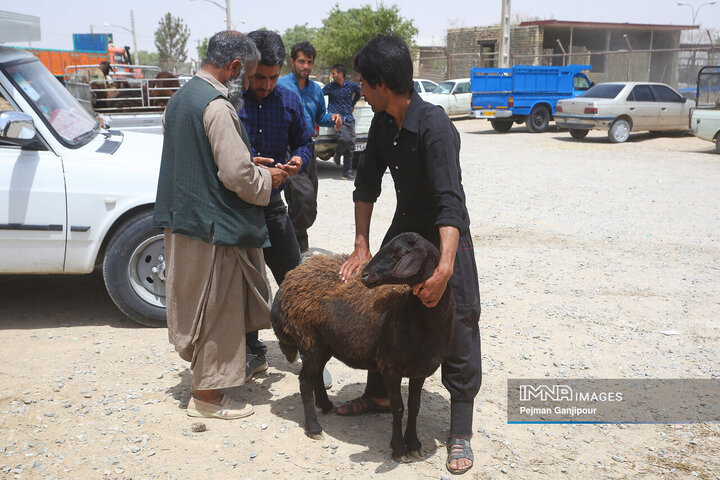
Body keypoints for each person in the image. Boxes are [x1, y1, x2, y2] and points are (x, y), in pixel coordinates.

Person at [337, 35, 482, 476]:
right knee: (385, 310)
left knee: (456, 321)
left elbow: (450, 204)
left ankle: (460, 429)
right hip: (404, 235)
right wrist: (363, 245)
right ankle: (381, 394)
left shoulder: (436, 127)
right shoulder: (382, 124)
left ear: (382, 84)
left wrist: (444, 269)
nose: (359, 89)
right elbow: (366, 184)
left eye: (363, 82)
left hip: (445, 237)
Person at [154, 31, 289, 420]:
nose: (248, 85)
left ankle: (213, 380)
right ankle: (208, 398)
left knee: (193, 301)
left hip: (184, 222)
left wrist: (250, 162)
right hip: (213, 230)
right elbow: (235, 175)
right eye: (247, 77)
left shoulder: (179, 99)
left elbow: (199, 158)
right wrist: (268, 179)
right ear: (233, 68)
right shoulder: (217, 107)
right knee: (215, 308)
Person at [238, 30, 331, 389]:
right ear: (247, 68)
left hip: (274, 205)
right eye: (259, 76)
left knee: (295, 281)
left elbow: (305, 142)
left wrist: (296, 159)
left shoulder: (290, 101)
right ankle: (249, 351)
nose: (265, 84)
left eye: (273, 77)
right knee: (242, 284)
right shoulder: (229, 103)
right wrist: (246, 162)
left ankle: (312, 355)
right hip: (236, 209)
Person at [277, 42, 342, 253]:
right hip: (287, 148)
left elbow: (319, 117)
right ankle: (297, 244)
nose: (306, 66)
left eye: (310, 62)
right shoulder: (280, 85)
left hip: (307, 146)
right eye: (302, 61)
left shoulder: (316, 90)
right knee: (301, 197)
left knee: (308, 200)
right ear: (293, 62)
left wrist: (332, 119)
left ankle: (292, 238)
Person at [322, 64, 361, 180]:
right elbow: (319, 95)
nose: (332, 76)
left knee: (350, 146)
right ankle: (338, 152)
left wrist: (353, 104)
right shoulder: (330, 87)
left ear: (340, 74)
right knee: (346, 140)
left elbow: (359, 93)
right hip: (337, 120)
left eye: (333, 73)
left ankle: (347, 171)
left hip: (349, 118)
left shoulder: (351, 86)